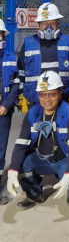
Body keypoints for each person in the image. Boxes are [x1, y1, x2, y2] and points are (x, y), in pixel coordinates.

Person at [7, 71, 69, 210]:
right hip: (42, 159)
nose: (47, 99)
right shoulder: (33, 113)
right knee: (22, 162)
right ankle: (33, 195)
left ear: (60, 93)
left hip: (64, 160)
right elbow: (21, 144)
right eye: (42, 94)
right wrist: (12, 169)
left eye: (52, 94)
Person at [17, 2, 69, 112]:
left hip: (64, 99)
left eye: (52, 23)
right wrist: (20, 95)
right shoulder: (28, 43)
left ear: (57, 23)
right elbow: (20, 71)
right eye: (44, 24)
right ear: (38, 24)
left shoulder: (68, 41)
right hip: (35, 100)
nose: (48, 27)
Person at [0, 19, 20, 205]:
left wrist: (6, 104)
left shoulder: (10, 58)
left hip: (3, 111)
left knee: (0, 150)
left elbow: (16, 85)